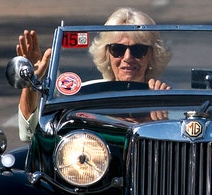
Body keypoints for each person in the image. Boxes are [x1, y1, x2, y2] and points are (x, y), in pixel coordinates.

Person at [15, 7, 172, 141]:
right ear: (106, 53)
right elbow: (30, 134)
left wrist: (160, 120)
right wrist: (30, 83)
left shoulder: (172, 99)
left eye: (139, 50)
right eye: (117, 50)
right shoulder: (82, 95)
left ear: (151, 55)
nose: (127, 58)